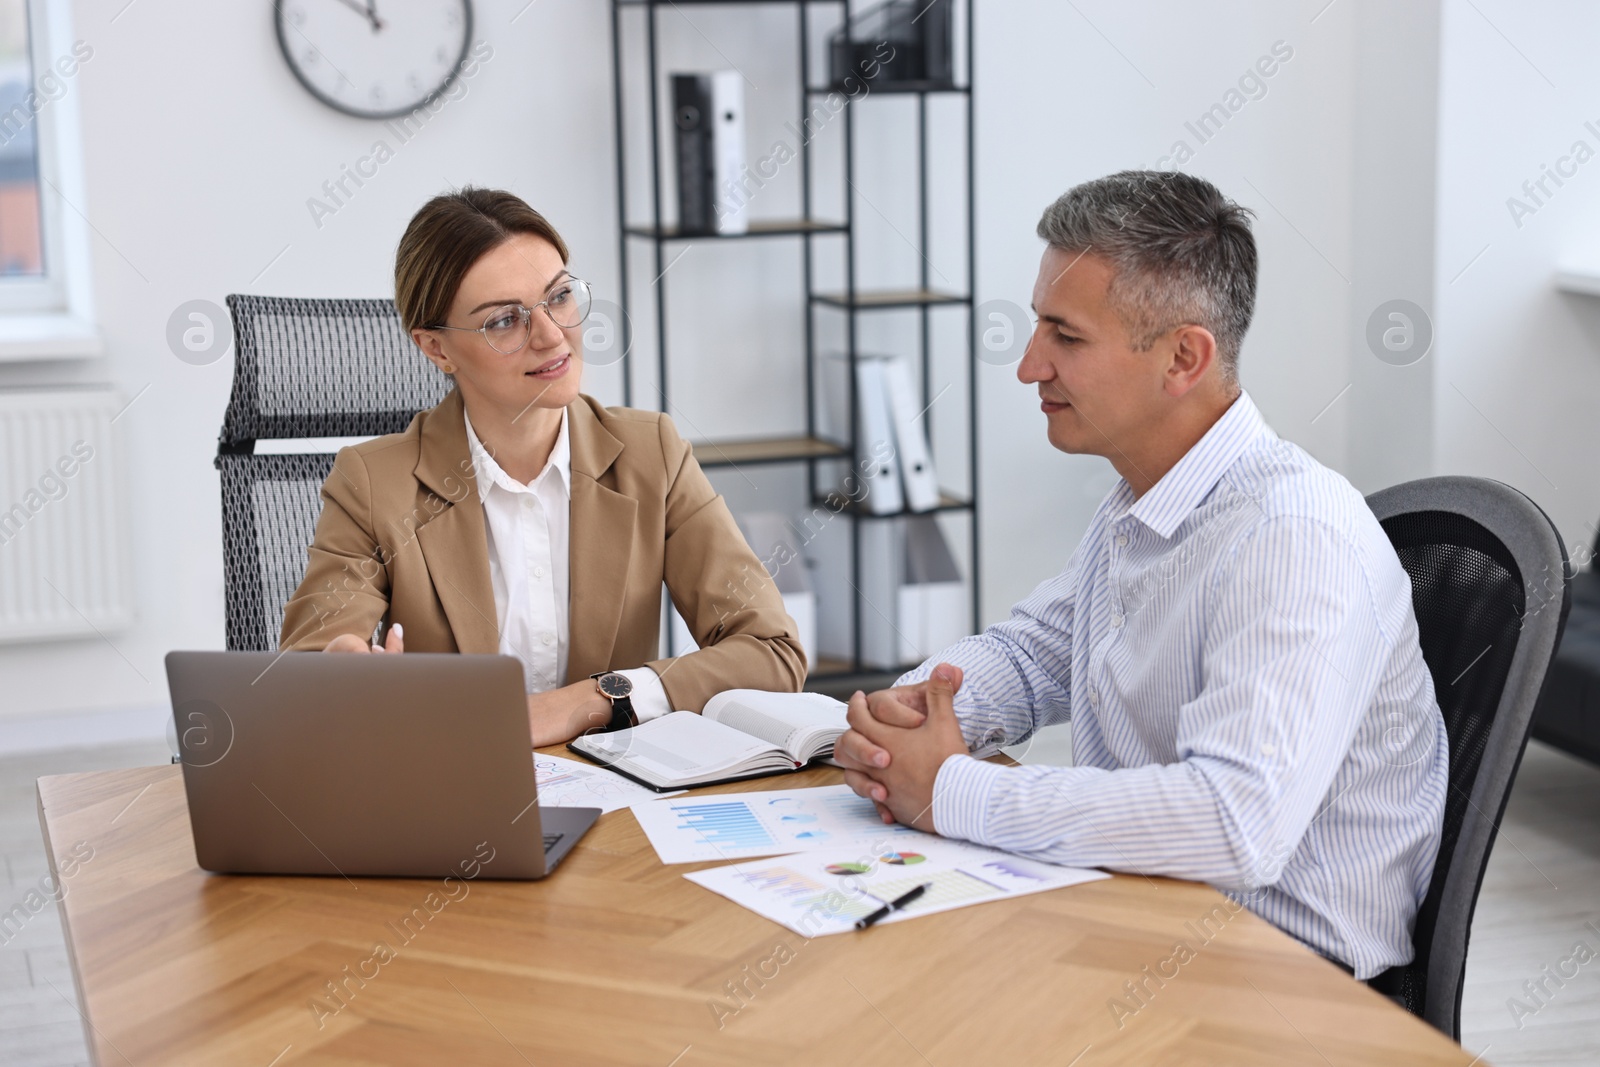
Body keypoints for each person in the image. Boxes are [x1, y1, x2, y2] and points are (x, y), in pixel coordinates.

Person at [835, 171, 1448, 981]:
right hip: (1147, 919)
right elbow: (1030, 655)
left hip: (1283, 985)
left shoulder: (1295, 536)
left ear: (1183, 357)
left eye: (1066, 336)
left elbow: (1234, 821)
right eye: (1036, 328)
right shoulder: (1142, 502)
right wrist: (905, 725)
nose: (1028, 367)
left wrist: (950, 790)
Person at [280, 187, 805, 744]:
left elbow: (772, 654)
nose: (553, 335)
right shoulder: (371, 483)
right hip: (457, 792)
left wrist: (595, 699)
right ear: (436, 349)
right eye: (504, 320)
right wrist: (336, 672)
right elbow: (307, 677)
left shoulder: (652, 453)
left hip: (618, 799)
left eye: (558, 296)